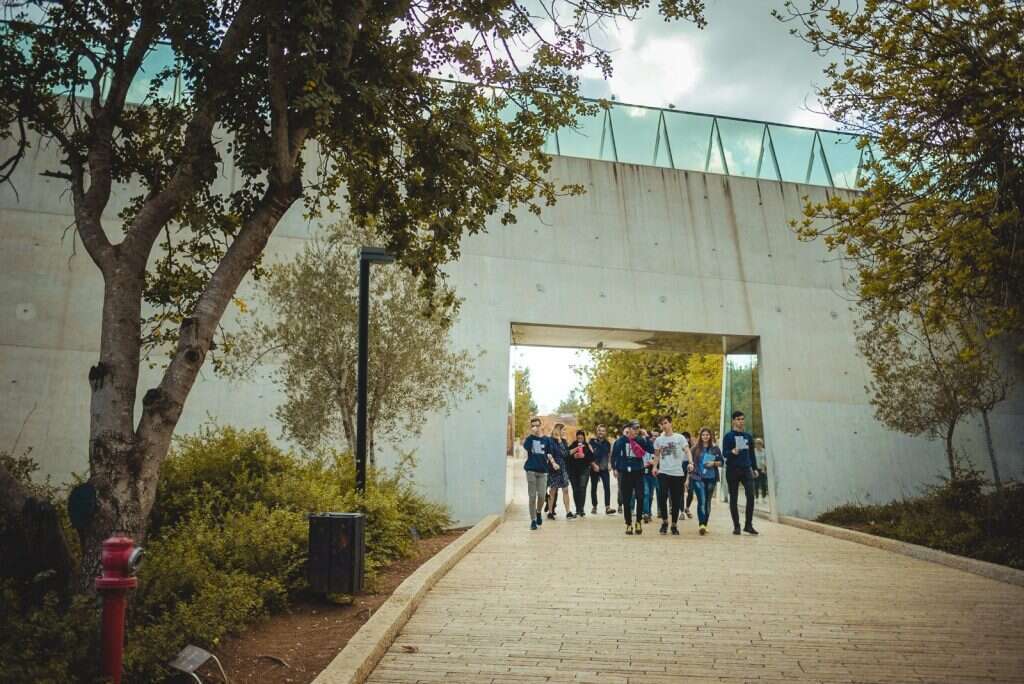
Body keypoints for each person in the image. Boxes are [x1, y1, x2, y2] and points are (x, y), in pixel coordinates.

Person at [653, 416, 692, 535]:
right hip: (663, 472)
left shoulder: (679, 438)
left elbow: (687, 450)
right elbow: (657, 455)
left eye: (665, 423)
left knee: (675, 500)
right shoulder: (659, 440)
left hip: (677, 473)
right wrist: (655, 467)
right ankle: (665, 522)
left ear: (670, 423)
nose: (664, 426)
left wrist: (690, 462)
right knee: (662, 497)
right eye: (662, 424)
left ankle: (674, 524)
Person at [722, 411, 759, 535]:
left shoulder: (748, 436)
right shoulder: (728, 436)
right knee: (734, 498)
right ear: (733, 421)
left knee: (751, 496)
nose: (741, 421)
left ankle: (748, 525)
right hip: (732, 470)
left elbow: (752, 454)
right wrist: (733, 452)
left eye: (742, 419)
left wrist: (754, 468)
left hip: (746, 469)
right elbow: (724, 454)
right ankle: (736, 526)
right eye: (738, 419)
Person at [612, 423, 646, 535]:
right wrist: (615, 468)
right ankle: (628, 523)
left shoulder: (639, 440)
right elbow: (614, 456)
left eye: (630, 432)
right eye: (626, 432)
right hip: (625, 472)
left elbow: (649, 450)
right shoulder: (619, 442)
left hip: (638, 472)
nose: (629, 434)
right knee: (626, 499)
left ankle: (638, 522)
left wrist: (644, 437)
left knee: (640, 497)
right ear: (623, 432)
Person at [690, 427, 722, 535]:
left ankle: (705, 523)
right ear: (700, 436)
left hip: (711, 478)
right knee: (702, 501)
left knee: (707, 502)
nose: (705, 436)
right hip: (698, 478)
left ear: (710, 436)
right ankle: (701, 524)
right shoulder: (695, 449)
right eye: (703, 435)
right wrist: (687, 477)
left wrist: (713, 463)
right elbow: (689, 463)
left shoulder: (715, 449)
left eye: (707, 435)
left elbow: (721, 462)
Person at [522, 417, 551, 530]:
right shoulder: (530, 439)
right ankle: (533, 520)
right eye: (533, 425)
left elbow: (549, 453)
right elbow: (526, 447)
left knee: (542, 495)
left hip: (543, 471)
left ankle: (538, 511)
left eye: (537, 425)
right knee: (532, 496)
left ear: (541, 426)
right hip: (531, 470)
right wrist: (532, 435)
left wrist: (553, 463)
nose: (535, 427)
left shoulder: (546, 440)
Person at [546, 423, 574, 520]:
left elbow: (566, 454)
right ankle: (550, 512)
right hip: (553, 468)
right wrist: (553, 463)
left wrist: (560, 442)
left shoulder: (564, 441)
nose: (564, 432)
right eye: (563, 430)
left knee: (565, 490)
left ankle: (568, 512)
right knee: (552, 491)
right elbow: (548, 454)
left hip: (563, 468)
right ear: (557, 430)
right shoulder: (549, 441)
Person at [567, 429, 594, 517]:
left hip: (584, 470)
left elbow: (592, 458)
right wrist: (574, 456)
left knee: (582, 488)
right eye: (578, 438)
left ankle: (581, 509)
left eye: (581, 438)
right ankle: (577, 509)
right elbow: (567, 457)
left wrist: (584, 456)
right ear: (576, 437)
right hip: (573, 471)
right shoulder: (573, 445)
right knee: (575, 489)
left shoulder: (587, 445)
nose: (580, 439)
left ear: (584, 438)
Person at [589, 425, 614, 515]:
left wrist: (610, 463)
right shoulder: (592, 442)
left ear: (605, 432)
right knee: (594, 488)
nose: (601, 432)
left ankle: (607, 507)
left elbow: (610, 454)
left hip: (604, 468)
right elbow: (589, 454)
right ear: (597, 432)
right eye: (599, 431)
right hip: (594, 468)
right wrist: (593, 465)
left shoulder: (607, 443)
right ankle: (594, 506)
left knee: (607, 487)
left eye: (603, 431)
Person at [680, 431, 696, 519]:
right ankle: (681, 511)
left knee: (690, 491)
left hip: (690, 469)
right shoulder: (678, 448)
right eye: (684, 437)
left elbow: (692, 463)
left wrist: (688, 478)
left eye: (687, 437)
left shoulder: (692, 449)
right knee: (681, 492)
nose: (685, 439)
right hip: (680, 469)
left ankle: (687, 508)